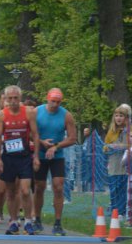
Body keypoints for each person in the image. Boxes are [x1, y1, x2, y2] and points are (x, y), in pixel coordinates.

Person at [0, 85, 40, 235]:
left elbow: (35, 135)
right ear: (5, 99)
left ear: (20, 99)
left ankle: (27, 221)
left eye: (16, 98)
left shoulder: (28, 112)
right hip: (8, 157)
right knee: (11, 192)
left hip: (25, 157)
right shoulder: (2, 115)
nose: (13, 101)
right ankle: (13, 222)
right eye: (10, 98)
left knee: (26, 190)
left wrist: (37, 157)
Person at [32, 88, 77, 236]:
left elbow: (72, 138)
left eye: (58, 102)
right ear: (47, 99)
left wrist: (56, 146)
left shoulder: (66, 115)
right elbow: (29, 134)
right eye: (53, 101)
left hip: (57, 156)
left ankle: (58, 223)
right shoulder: (36, 112)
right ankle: (37, 219)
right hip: (40, 153)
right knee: (39, 187)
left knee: (58, 186)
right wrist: (41, 142)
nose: (55, 104)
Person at [104, 104, 130, 221]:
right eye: (116, 116)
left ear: (126, 118)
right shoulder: (111, 132)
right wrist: (108, 147)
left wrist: (121, 146)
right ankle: (114, 210)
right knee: (113, 189)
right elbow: (104, 147)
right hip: (113, 165)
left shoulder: (129, 130)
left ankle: (121, 212)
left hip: (124, 166)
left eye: (121, 116)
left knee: (122, 189)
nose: (118, 118)